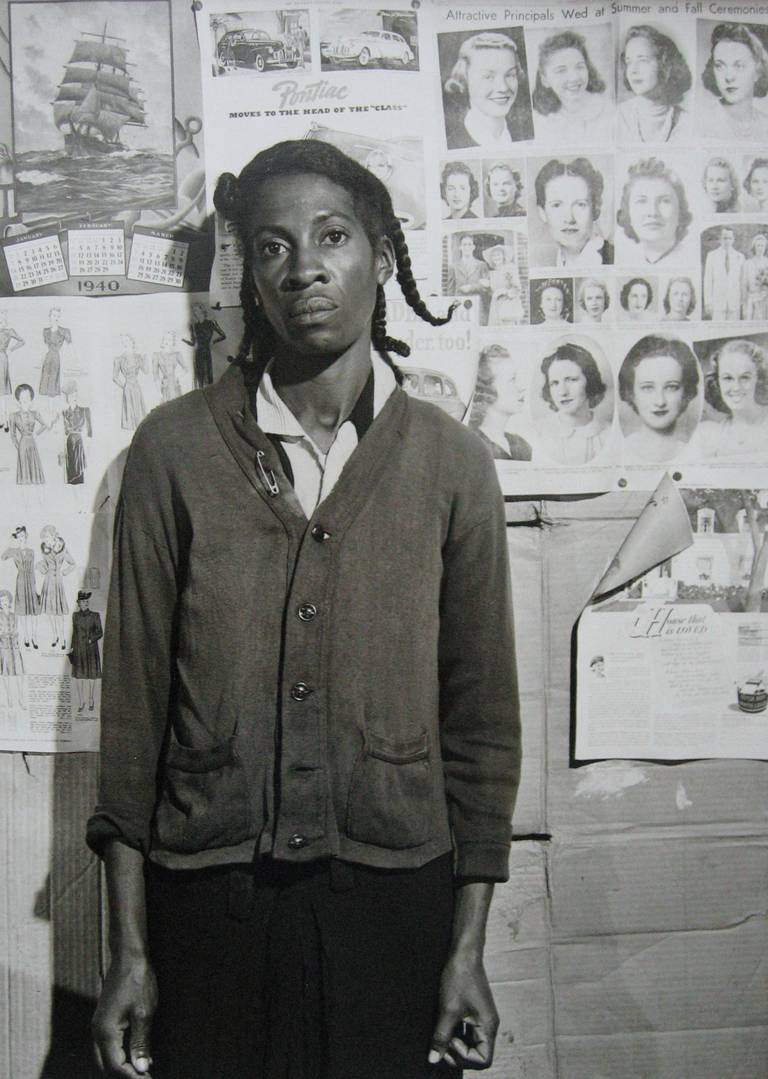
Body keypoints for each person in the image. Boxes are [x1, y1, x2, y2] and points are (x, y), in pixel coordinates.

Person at [87, 139, 521, 1079]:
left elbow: (481, 728)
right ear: (250, 277)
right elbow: (131, 723)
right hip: (209, 907)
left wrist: (466, 948)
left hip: (393, 911)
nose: (305, 268)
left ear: (383, 257)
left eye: (333, 237)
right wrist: (128, 950)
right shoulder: (171, 452)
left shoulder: (452, 465)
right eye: (273, 247)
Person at [442, 31, 534, 149]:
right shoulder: (450, 143)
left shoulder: (527, 135)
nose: (503, 87)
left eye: (510, 75)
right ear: (464, 77)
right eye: (488, 76)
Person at [618, 334, 700, 463]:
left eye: (671, 387)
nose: (660, 402)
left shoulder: (696, 454)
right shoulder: (618, 451)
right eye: (647, 388)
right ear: (630, 393)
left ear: (686, 392)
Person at [531, 30, 613, 144]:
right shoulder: (540, 121)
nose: (574, 78)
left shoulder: (608, 111)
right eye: (561, 71)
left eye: (579, 67)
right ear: (545, 80)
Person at [691, 337, 768, 457]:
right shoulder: (712, 436)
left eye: (745, 377)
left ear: (758, 379)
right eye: (728, 378)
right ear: (717, 382)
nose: (736, 387)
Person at [536, 340, 611, 464]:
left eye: (571, 380)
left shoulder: (608, 434)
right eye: (555, 383)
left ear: (590, 381)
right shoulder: (539, 433)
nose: (563, 392)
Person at [617, 25, 693, 143]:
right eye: (629, 62)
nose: (633, 70)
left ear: (664, 64)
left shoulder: (686, 122)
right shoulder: (618, 116)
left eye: (643, 60)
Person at [534, 157, 612, 268]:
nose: (569, 218)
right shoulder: (554, 263)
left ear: (595, 209)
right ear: (542, 212)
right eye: (557, 205)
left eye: (580, 204)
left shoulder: (612, 258)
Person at [616, 157, 692, 266]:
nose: (652, 212)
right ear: (628, 213)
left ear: (680, 212)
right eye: (642, 201)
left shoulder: (689, 260)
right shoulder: (626, 263)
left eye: (664, 201)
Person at [700, 22, 768, 143]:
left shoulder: (765, 123)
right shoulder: (702, 122)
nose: (729, 77)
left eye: (739, 66)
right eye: (720, 66)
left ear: (757, 72)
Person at [467, 344, 532, 460]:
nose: (522, 387)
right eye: (513, 379)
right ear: (487, 388)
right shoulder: (473, 446)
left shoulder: (522, 446)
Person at [1, 526, 39, 649]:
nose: (21, 539)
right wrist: (11, 543)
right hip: (21, 582)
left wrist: (35, 587)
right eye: (18, 537)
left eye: (22, 536)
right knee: (23, 612)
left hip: (30, 582)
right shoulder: (14, 551)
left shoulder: (31, 551)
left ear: (26, 536)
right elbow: (3, 556)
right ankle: (27, 637)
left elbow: (33, 570)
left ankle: (34, 637)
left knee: (32, 613)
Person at [69, 589, 102, 713]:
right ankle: (81, 701)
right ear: (79, 603)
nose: (85, 603)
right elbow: (74, 633)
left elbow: (100, 632)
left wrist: (90, 639)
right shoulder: (75, 616)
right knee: (79, 677)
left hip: (91, 648)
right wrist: (72, 647)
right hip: (78, 649)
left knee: (91, 676)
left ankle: (91, 699)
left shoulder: (95, 615)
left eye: (86, 601)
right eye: (82, 601)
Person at [445, 233, 491, 321]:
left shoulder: (481, 265)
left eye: (469, 244)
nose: (467, 247)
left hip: (477, 303)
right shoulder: (453, 266)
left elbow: (487, 287)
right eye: (464, 244)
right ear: (460, 247)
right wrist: (450, 307)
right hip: (459, 304)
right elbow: (450, 290)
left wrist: (472, 287)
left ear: (473, 247)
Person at [703, 226, 745, 320]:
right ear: (720, 239)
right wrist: (708, 302)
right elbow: (708, 280)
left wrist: (743, 301)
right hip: (717, 302)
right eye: (725, 238)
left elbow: (742, 281)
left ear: (733, 239)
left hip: (734, 301)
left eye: (729, 238)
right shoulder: (712, 256)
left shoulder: (740, 257)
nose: (727, 241)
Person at [182, 302, 226, 389]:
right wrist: (183, 340)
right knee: (200, 379)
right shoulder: (194, 326)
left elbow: (223, 335)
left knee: (208, 378)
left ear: (202, 310)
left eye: (196, 310)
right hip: (198, 354)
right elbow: (193, 343)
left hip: (207, 352)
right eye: (194, 311)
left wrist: (213, 342)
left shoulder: (211, 323)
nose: (195, 313)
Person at [9, 384, 46, 486]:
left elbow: (44, 425)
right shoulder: (13, 415)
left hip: (32, 444)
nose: (25, 399)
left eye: (27, 397)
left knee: (35, 473)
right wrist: (19, 447)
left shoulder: (35, 413)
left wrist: (36, 433)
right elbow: (12, 435)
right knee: (24, 476)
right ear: (19, 399)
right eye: (22, 397)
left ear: (31, 399)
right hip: (22, 445)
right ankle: (25, 500)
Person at [60, 380, 92, 486]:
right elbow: (65, 431)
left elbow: (89, 431)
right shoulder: (64, 413)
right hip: (69, 441)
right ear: (66, 398)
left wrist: (88, 444)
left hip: (79, 440)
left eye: (75, 394)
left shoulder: (85, 410)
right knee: (71, 467)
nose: (73, 397)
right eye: (70, 395)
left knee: (79, 468)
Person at [113, 334, 147, 431]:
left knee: (139, 412)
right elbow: (114, 377)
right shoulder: (119, 359)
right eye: (123, 341)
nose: (125, 342)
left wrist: (145, 358)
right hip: (127, 387)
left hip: (136, 386)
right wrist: (124, 386)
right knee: (130, 415)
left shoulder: (138, 357)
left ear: (132, 341)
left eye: (127, 340)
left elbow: (146, 371)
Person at [483, 244, 523, 325]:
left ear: (503, 256)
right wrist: (486, 287)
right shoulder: (492, 273)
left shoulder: (509, 269)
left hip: (507, 305)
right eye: (494, 256)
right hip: (495, 306)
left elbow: (518, 288)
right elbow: (492, 292)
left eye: (498, 255)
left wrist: (505, 291)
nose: (496, 257)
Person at [0, 589, 25, 711]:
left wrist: (14, 634)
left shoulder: (14, 615)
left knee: (19, 673)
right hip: (3, 648)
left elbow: (17, 631)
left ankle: (20, 698)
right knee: (6, 674)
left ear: (9, 601)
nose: (3, 602)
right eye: (1, 601)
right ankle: (9, 698)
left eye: (5, 600)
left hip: (15, 647)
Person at [0, 310, 24, 433]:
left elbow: (21, 341)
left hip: (2, 360)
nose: (2, 322)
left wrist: (11, 349)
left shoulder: (9, 331)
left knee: (2, 393)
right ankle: (3, 420)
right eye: (0, 319)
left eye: (3, 320)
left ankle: (6, 422)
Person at [152, 332, 187, 403]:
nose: (167, 341)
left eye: (169, 339)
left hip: (175, 385)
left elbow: (186, 369)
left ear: (172, 342)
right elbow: (155, 376)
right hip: (165, 385)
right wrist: (158, 392)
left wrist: (178, 376)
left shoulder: (177, 354)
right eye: (165, 339)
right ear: (163, 340)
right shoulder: (156, 355)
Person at [741, 233, 768, 321]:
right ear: (754, 247)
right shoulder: (747, 263)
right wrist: (744, 303)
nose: (760, 248)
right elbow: (744, 284)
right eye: (758, 245)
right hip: (752, 299)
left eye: (762, 246)